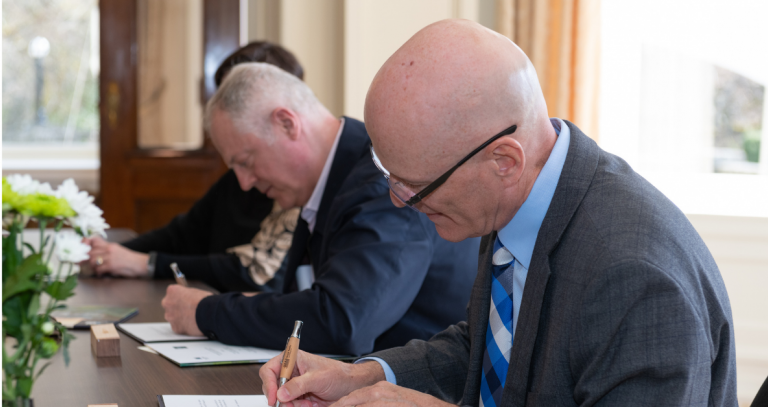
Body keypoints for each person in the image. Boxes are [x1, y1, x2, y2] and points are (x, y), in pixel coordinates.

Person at [259, 19, 737, 406]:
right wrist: (362, 375)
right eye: (390, 175)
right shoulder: (520, 195)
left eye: (417, 186)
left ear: (503, 161)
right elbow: (490, 349)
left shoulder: (635, 278)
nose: (397, 201)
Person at [160, 62, 480, 355]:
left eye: (245, 162)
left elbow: (342, 322)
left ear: (287, 124)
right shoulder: (332, 180)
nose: (244, 183)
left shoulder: (381, 180)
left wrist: (208, 312)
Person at [84, 41, 304, 293]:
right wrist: (115, 252)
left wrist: (146, 264)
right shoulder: (236, 180)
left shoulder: (297, 186)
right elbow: (183, 234)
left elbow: (252, 271)